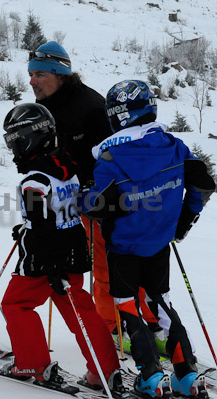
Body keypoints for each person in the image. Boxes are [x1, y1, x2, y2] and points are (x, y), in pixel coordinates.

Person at [79, 80, 215, 397]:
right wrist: (181, 222)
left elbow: (97, 205)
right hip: (159, 244)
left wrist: (84, 197)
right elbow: (203, 184)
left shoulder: (111, 158)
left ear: (117, 116)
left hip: (123, 247)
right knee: (162, 303)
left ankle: (151, 376)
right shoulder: (174, 145)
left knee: (128, 307)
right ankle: (185, 373)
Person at [28, 40, 161, 346]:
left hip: (106, 199)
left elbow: (116, 153)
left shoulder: (90, 106)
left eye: (39, 74)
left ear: (58, 74)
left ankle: (129, 326)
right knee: (96, 264)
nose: (32, 81)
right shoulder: (45, 108)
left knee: (114, 263)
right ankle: (118, 324)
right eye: (31, 74)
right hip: (71, 199)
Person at [1, 103, 127, 397]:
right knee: (78, 307)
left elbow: (41, 222)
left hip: (43, 257)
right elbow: (55, 212)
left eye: (15, 139)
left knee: (16, 305)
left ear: (32, 137)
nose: (13, 147)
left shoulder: (34, 181)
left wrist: (47, 259)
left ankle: (32, 365)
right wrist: (29, 226)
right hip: (72, 246)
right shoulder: (66, 168)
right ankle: (104, 370)